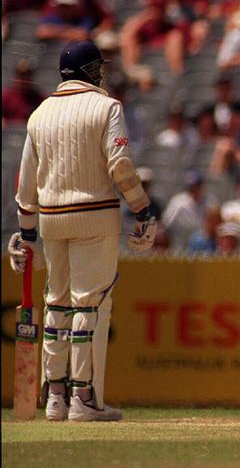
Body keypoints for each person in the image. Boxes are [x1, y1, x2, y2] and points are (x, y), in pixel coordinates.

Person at [7, 40, 157, 422]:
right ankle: (83, 399)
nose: (102, 74)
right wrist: (142, 208)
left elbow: (26, 184)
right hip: (95, 215)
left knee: (57, 303)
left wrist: (27, 235)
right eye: (99, 68)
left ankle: (54, 396)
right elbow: (120, 163)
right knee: (87, 304)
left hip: (52, 218)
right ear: (91, 71)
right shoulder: (107, 107)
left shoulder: (39, 114)